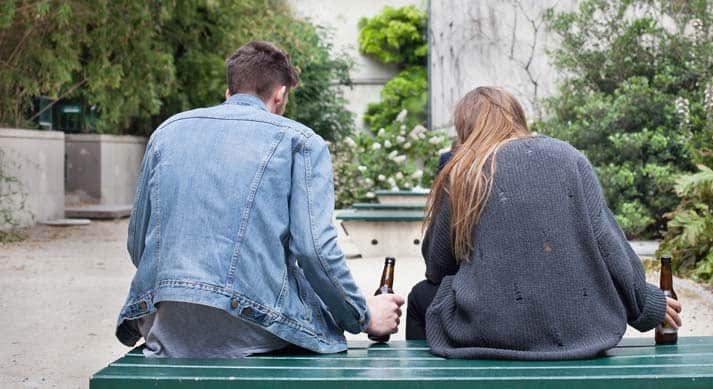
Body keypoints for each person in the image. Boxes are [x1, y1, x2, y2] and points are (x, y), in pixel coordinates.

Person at [116, 41, 404, 358]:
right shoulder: (301, 142)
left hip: (168, 325)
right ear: (280, 94)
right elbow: (315, 251)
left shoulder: (166, 133)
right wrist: (364, 316)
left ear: (229, 92)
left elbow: (138, 246)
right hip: (255, 330)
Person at [405, 86, 682, 360]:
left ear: (465, 128)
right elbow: (608, 243)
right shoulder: (569, 157)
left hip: (489, 331)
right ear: (517, 117)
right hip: (582, 332)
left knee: (420, 297)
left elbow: (438, 267)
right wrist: (645, 305)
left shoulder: (464, 171)